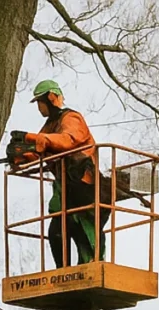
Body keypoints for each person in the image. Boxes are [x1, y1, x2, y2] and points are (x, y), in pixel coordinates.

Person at [23, 80, 109, 268]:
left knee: (82, 227)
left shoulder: (71, 118)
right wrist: (19, 155)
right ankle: (63, 271)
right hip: (66, 186)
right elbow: (39, 149)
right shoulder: (50, 125)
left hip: (84, 186)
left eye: (40, 102)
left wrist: (35, 139)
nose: (38, 107)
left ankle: (92, 265)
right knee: (57, 229)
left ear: (51, 98)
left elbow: (66, 140)